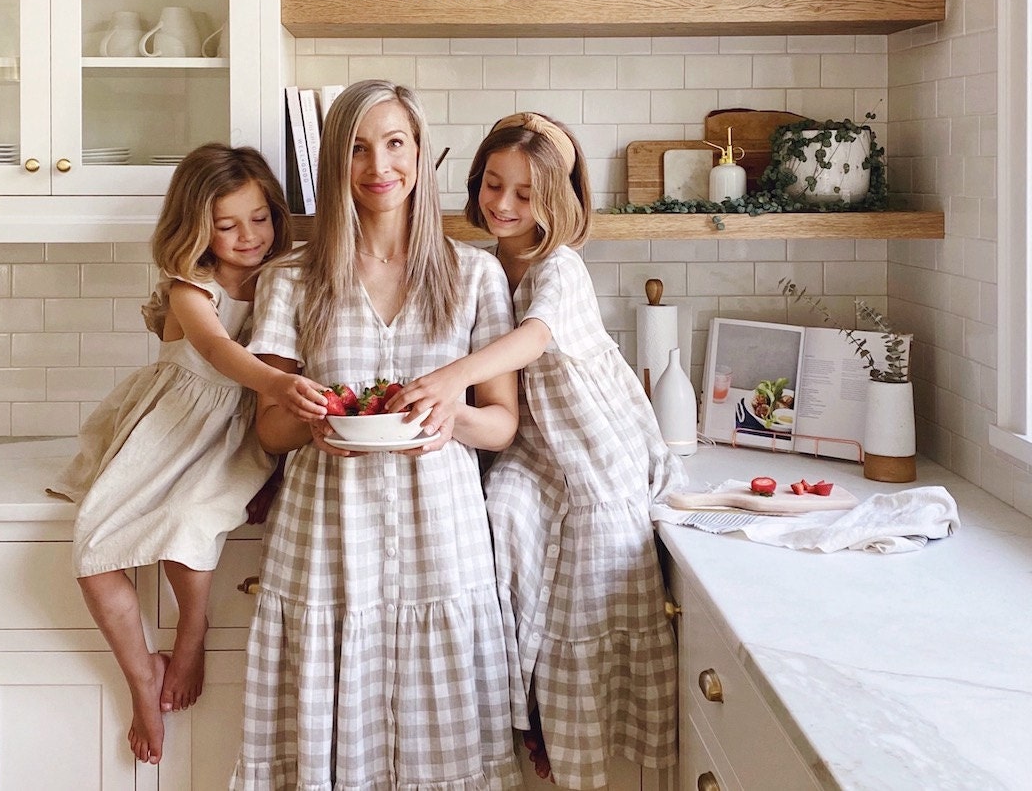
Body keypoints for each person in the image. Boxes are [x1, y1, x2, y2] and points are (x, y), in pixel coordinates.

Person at [232, 80, 524, 789]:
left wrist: (453, 417)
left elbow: (502, 424)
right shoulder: (293, 280)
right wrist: (307, 414)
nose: (378, 165)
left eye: (395, 143)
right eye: (358, 148)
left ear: (421, 154)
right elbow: (267, 430)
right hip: (328, 535)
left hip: (442, 539)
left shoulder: (475, 274)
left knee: (444, 738)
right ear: (336, 163)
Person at [389, 113, 688, 788]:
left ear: (555, 201)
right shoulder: (490, 262)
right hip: (536, 450)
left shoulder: (561, 266)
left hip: (593, 450)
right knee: (502, 516)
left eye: (524, 195)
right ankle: (529, 706)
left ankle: (571, 733)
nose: (502, 204)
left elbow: (533, 340)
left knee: (592, 584)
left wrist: (447, 380)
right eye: (493, 185)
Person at [49, 143, 328, 766]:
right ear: (196, 229)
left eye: (260, 218)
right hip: (172, 429)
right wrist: (278, 382)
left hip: (236, 435)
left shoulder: (288, 276)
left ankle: (192, 631)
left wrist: (279, 417)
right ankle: (141, 675)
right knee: (93, 555)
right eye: (227, 226)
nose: (248, 236)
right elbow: (216, 348)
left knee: (189, 524)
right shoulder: (189, 287)